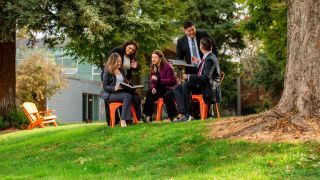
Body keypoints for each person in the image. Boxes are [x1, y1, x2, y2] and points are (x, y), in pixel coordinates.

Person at [174, 37, 221, 122]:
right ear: (210, 47)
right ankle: (184, 113)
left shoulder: (209, 59)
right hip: (204, 85)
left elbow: (205, 77)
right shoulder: (208, 57)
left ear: (201, 47)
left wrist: (189, 77)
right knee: (177, 88)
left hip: (207, 87)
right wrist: (199, 61)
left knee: (186, 84)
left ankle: (188, 115)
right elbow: (205, 71)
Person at [101, 40, 140, 125]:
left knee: (132, 95)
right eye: (129, 48)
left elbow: (134, 70)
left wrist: (128, 85)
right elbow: (105, 86)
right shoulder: (108, 70)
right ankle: (119, 121)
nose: (130, 51)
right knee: (127, 96)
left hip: (120, 90)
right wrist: (113, 88)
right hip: (110, 93)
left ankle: (129, 119)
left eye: (133, 50)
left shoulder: (122, 70)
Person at [142, 50, 178, 122]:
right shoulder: (153, 67)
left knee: (168, 95)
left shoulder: (167, 66)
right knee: (150, 92)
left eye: (155, 57)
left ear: (160, 58)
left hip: (170, 88)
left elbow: (171, 81)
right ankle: (148, 116)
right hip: (160, 89)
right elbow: (153, 81)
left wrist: (159, 79)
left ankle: (173, 117)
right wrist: (153, 88)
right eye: (152, 57)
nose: (153, 59)